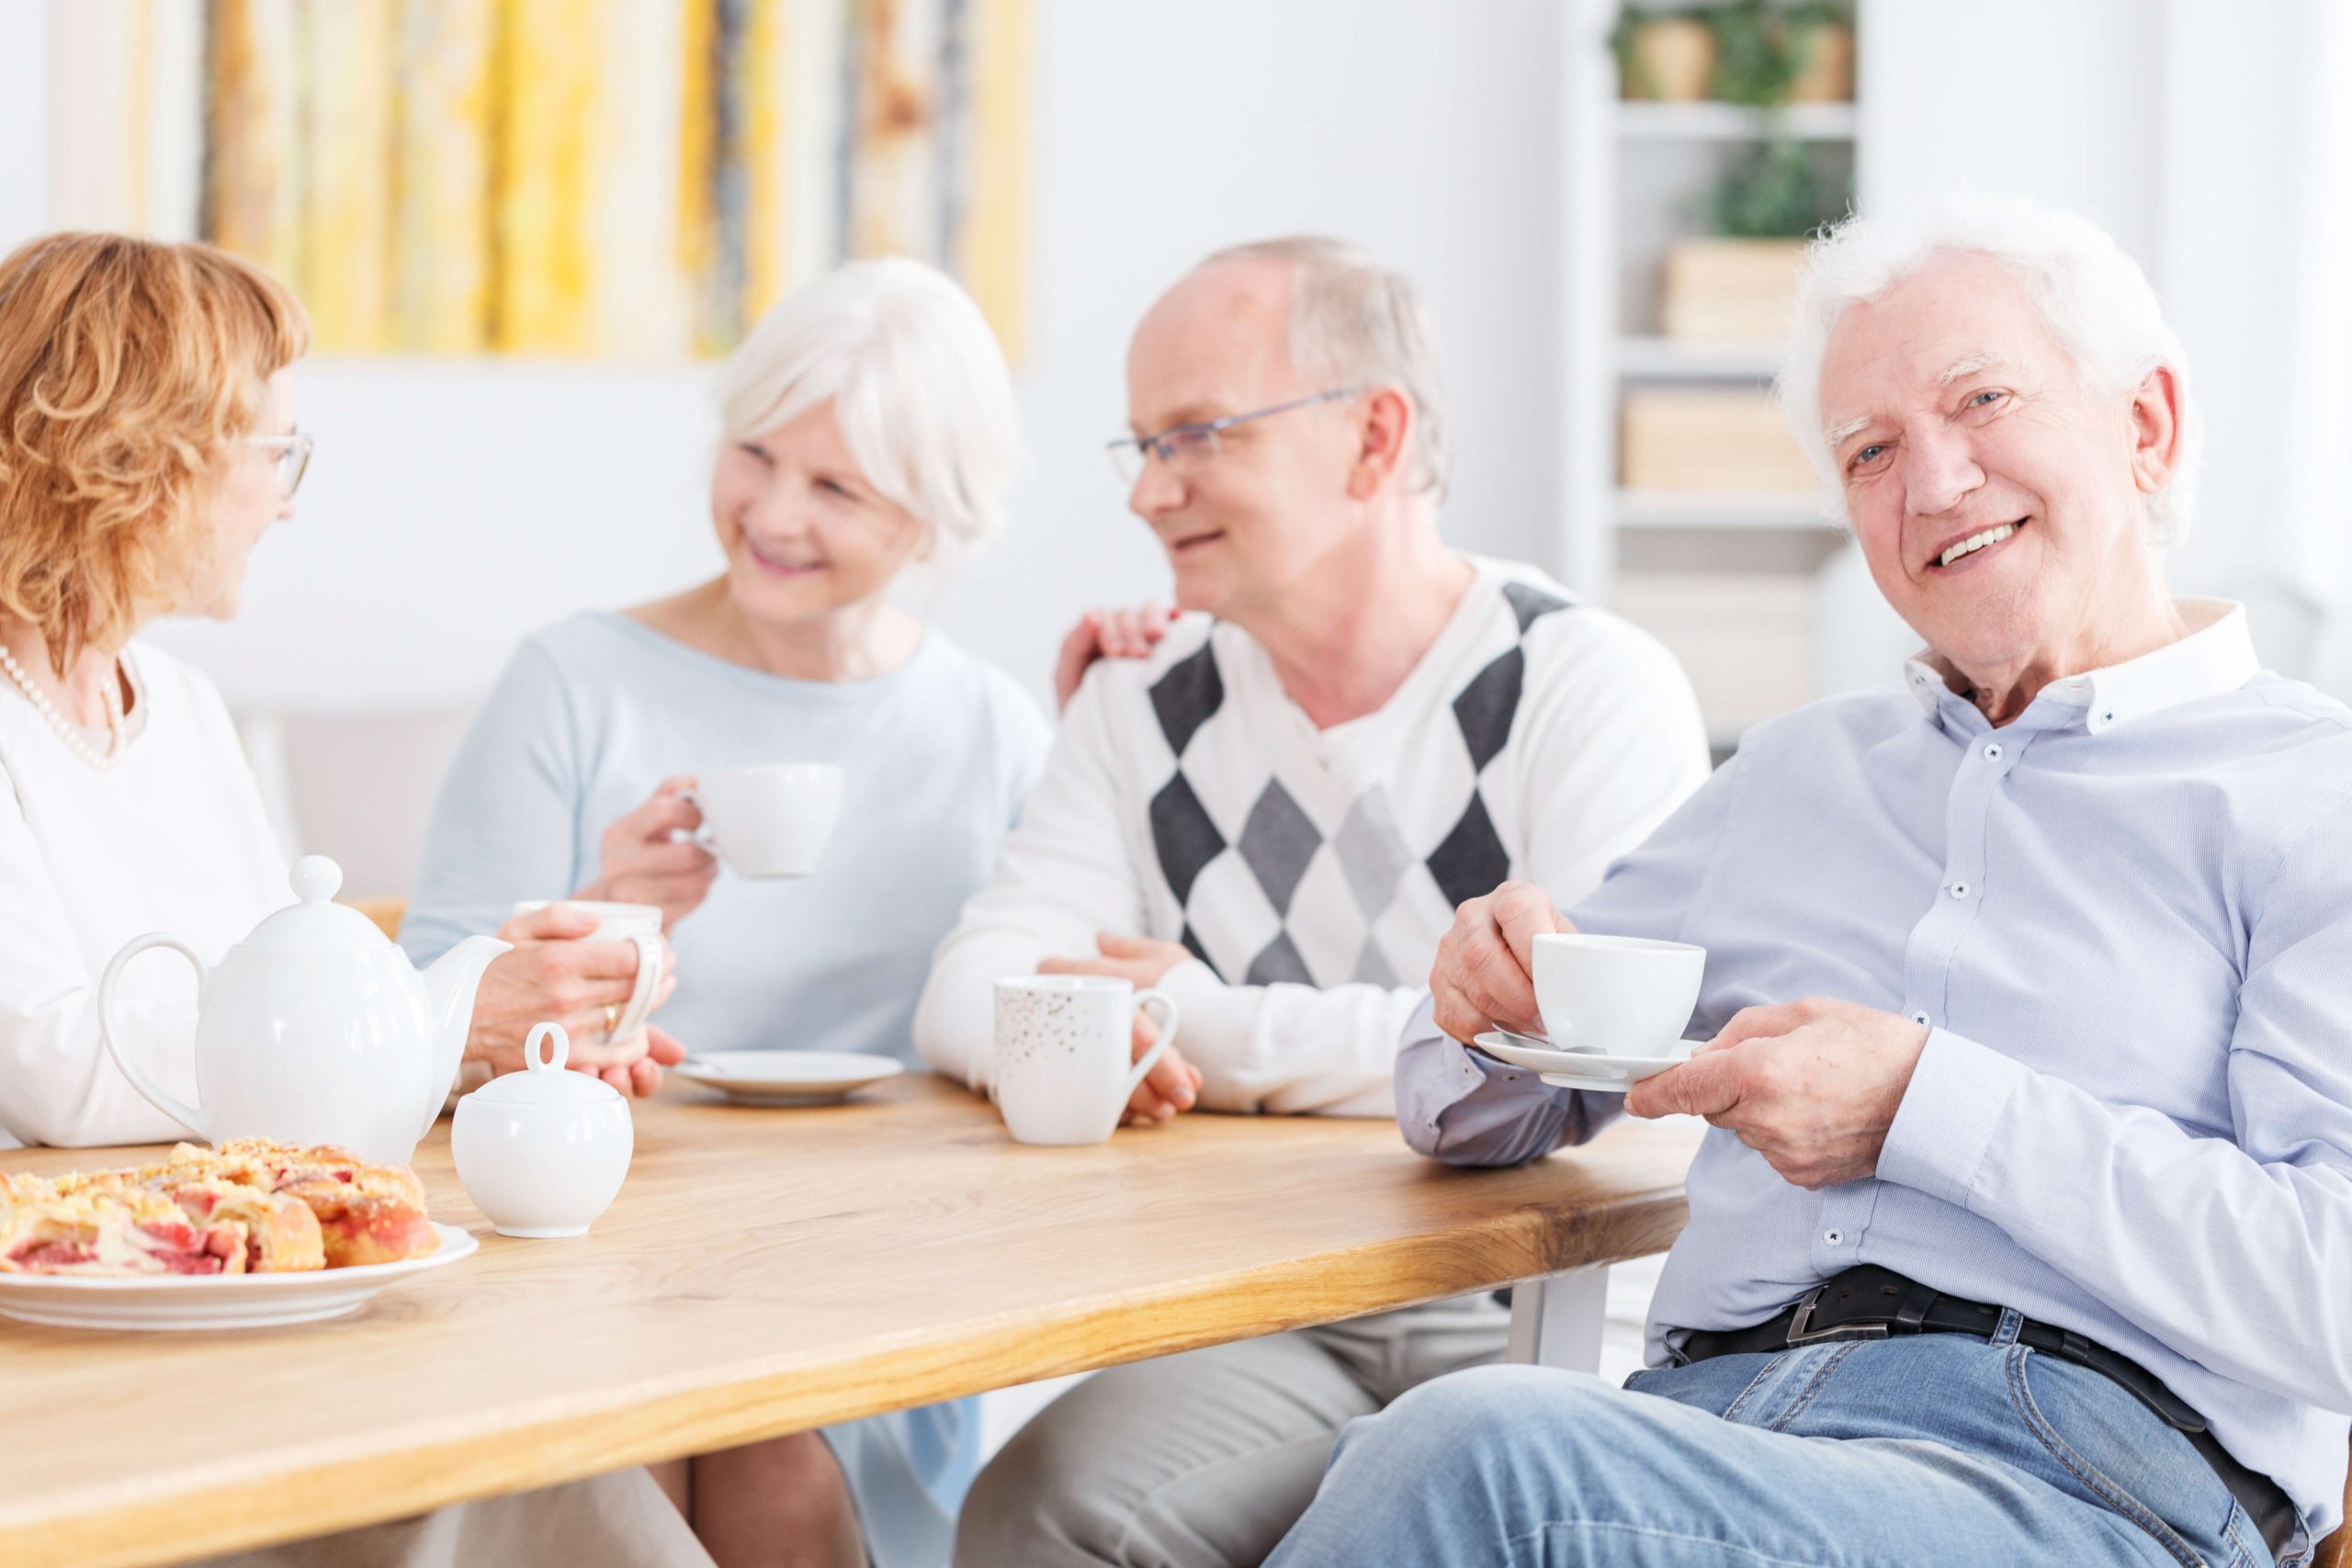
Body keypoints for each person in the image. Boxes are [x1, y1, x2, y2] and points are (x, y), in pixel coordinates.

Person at [1270, 197, 2350, 1568]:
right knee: (1146, 1496)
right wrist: (1489, 1001)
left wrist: (1922, 1102)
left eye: (1985, 399)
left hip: (2086, 1479)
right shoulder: (1791, 778)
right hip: (1715, 1423)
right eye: (1871, 451)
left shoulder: (2317, 795)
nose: (1936, 483)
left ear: (2147, 427)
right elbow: (1459, 1096)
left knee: (1476, 1459)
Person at [921, 237, 1710, 1567]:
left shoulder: (1586, 687)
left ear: (1372, 438)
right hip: (1262, 1315)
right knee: (1032, 1514)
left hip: (1551, 1317)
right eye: (1142, 447)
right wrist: (1103, 1032)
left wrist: (1195, 1024)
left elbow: (1581, 1073)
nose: (1151, 491)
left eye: (1198, 436)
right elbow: (968, 990)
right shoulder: (1139, 701)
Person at [0, 231, 705, 1566]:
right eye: (271, 451)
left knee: (564, 1445)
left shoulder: (184, 713)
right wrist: (451, 1013)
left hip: (243, 1293)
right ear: (137, 456)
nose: (286, 498)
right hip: (83, 1345)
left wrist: (506, 1045)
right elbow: (53, 1070)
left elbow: (286, 1055)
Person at [402, 256, 1049, 1568]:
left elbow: (1046, 999)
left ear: (934, 517)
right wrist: (599, 920)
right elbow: (415, 1028)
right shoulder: (575, 682)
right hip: (583, 1249)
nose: (772, 512)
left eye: (837, 489)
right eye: (755, 453)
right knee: (644, 1426)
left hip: (871, 1271)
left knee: (761, 1436)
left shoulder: (988, 728)